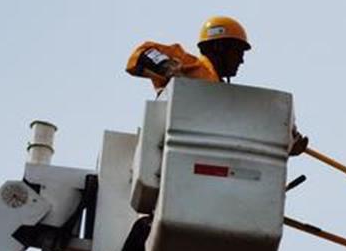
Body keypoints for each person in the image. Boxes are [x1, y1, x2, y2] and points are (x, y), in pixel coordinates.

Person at [126, 16, 308, 155]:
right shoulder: (191, 65)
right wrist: (167, 68)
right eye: (238, 52)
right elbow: (142, 53)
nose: (242, 60)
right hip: (175, 148)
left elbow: (247, 133)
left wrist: (285, 140)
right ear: (220, 48)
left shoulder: (225, 97)